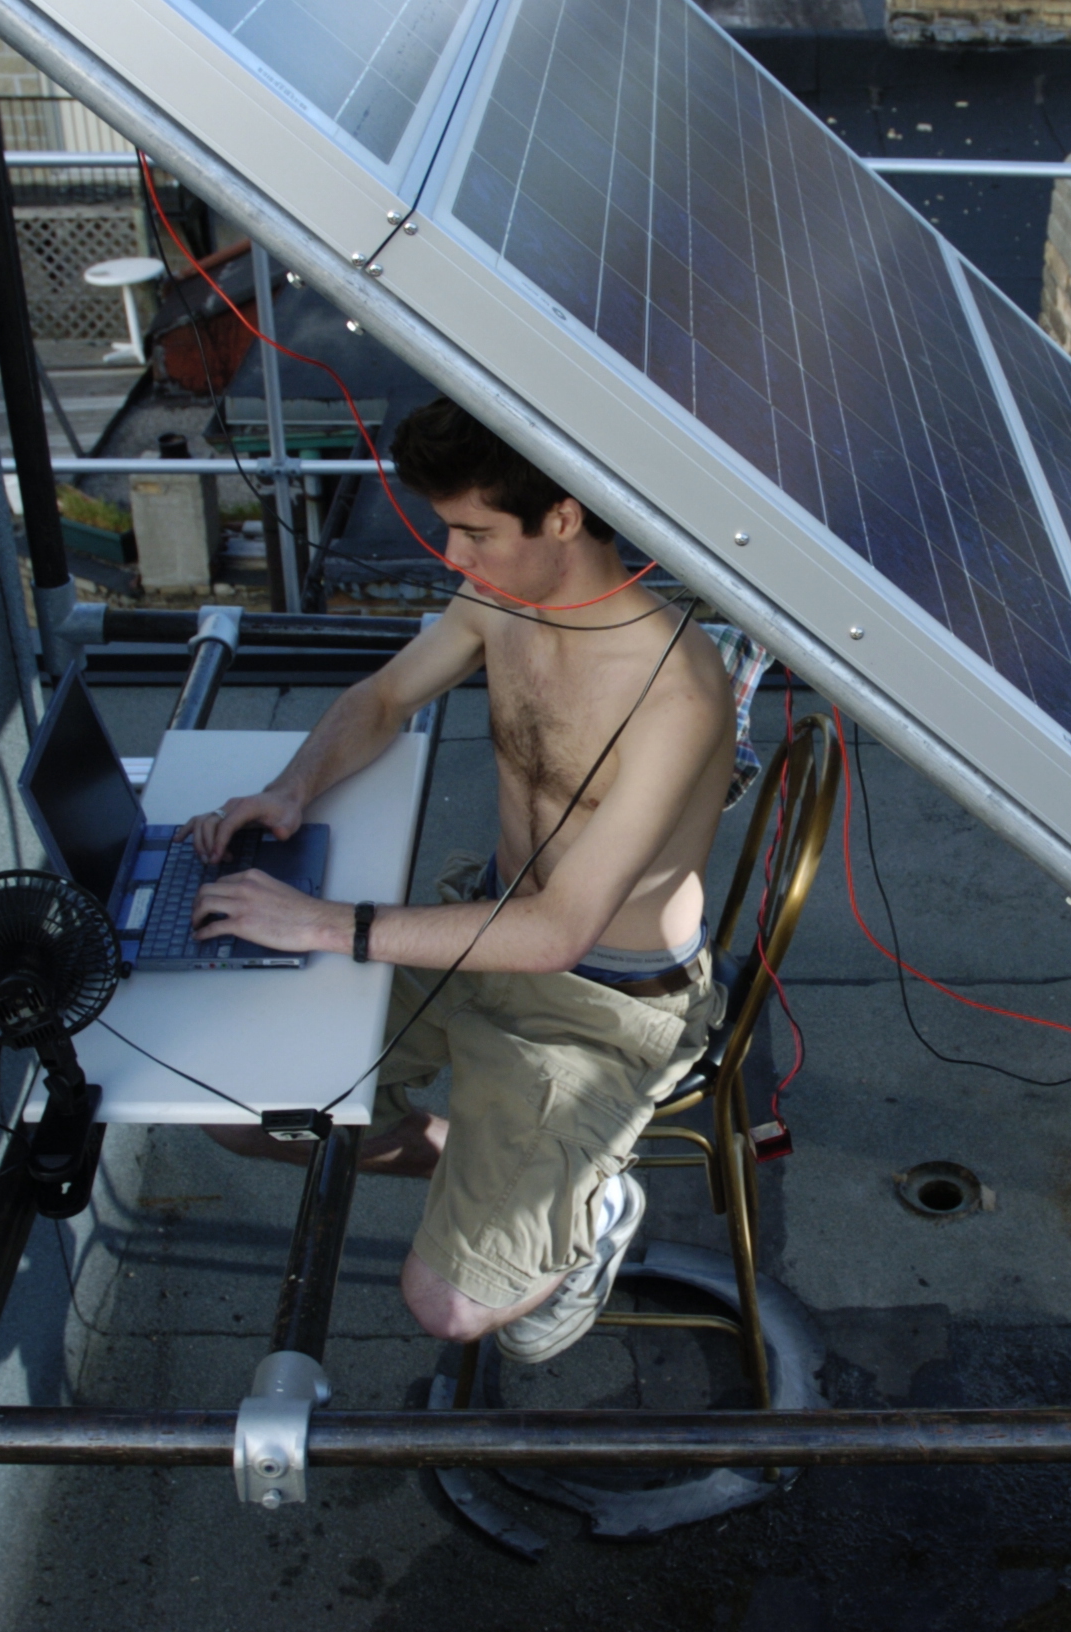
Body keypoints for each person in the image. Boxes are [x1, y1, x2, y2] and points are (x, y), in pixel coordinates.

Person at [175, 397, 735, 1364]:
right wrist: (290, 789)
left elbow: (561, 930)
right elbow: (384, 696)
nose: (453, 557)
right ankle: (481, 1158)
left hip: (601, 1002)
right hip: (488, 917)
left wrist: (325, 924)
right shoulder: (503, 594)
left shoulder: (675, 690)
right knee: (239, 1112)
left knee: (450, 1309)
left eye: (474, 532)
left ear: (563, 517)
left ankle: (593, 1207)